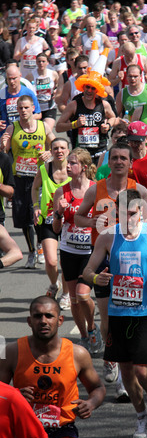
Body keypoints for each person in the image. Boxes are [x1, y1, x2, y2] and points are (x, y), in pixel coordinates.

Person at [83, 188, 147, 438]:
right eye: (123, 213)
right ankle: (141, 417)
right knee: (126, 372)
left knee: (142, 371)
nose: (128, 218)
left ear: (142, 212)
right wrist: (96, 277)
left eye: (133, 213)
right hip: (118, 312)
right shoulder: (107, 237)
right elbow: (88, 270)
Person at [74, 141, 147, 384]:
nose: (119, 161)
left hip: (132, 258)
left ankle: (128, 366)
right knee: (108, 317)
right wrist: (93, 224)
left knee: (131, 315)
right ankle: (114, 363)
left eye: (123, 158)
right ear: (108, 161)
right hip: (104, 257)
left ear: (130, 163)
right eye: (114, 157)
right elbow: (78, 216)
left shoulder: (139, 190)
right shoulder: (95, 189)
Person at [0, 295, 106, 438]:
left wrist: (90, 404)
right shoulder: (12, 352)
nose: (43, 321)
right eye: (37, 316)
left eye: (49, 316)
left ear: (60, 320)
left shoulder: (77, 354)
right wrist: (15, 397)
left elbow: (97, 387)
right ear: (29, 321)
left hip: (63, 429)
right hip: (24, 428)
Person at [52, 148, 101, 355]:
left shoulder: (96, 189)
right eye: (68, 163)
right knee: (73, 298)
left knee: (83, 295)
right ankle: (83, 336)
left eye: (73, 163)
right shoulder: (61, 191)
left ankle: (92, 327)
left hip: (90, 251)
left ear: (83, 167)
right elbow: (55, 229)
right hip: (69, 250)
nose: (68, 166)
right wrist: (59, 212)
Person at [1, 95, 54, 269]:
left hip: (38, 178)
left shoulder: (43, 126)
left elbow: (58, 146)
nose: (23, 111)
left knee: (37, 214)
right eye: (20, 108)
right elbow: (4, 151)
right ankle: (32, 251)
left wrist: (50, 154)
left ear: (33, 108)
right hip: (19, 178)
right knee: (23, 218)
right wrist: (3, 143)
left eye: (26, 107)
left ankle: (39, 247)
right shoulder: (12, 127)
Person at [31, 138, 71, 306]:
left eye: (62, 148)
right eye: (55, 148)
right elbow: (34, 188)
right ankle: (55, 285)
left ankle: (67, 294)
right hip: (48, 219)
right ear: (51, 151)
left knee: (67, 262)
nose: (59, 151)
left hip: (70, 220)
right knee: (51, 260)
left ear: (68, 150)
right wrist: (35, 207)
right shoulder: (44, 168)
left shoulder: (74, 169)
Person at [56, 68, 116, 165]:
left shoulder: (104, 104)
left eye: (93, 88)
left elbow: (113, 118)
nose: (89, 90)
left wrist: (108, 125)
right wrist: (75, 124)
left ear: (97, 90)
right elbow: (58, 127)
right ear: (83, 87)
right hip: (80, 154)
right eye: (87, 87)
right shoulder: (74, 105)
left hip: (99, 152)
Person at [0, 64, 41, 138]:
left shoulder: (28, 92)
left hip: (24, 135)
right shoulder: (1, 94)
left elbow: (38, 114)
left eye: (14, 78)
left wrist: (25, 119)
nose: (12, 82)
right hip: (7, 135)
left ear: (20, 76)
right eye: (9, 79)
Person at [26, 52, 59, 133]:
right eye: (39, 61)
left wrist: (56, 91)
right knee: (37, 132)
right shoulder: (31, 75)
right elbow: (25, 89)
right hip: (37, 109)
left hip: (49, 107)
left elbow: (58, 86)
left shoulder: (53, 74)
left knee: (46, 132)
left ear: (47, 62)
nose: (41, 63)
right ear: (36, 62)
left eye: (43, 61)